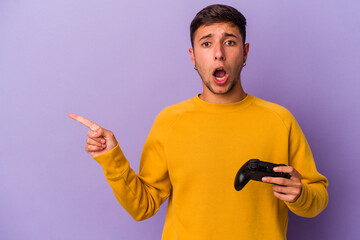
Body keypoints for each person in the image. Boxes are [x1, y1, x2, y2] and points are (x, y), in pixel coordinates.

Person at [69, 4, 328, 240]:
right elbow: (142, 206)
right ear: (193, 57)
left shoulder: (279, 119)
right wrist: (111, 157)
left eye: (229, 42)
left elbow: (317, 197)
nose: (218, 54)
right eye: (206, 44)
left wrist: (301, 194)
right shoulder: (170, 121)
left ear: (245, 52)